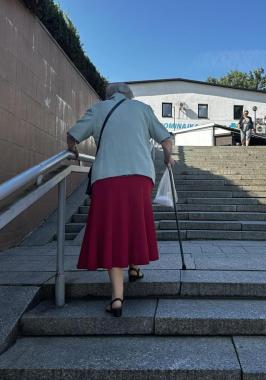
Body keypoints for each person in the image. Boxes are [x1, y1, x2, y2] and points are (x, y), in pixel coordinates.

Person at [66, 83, 174, 317]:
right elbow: (166, 140)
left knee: (113, 231)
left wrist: (72, 150)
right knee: (134, 221)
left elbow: (73, 135)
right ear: (129, 96)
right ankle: (134, 269)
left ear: (109, 96)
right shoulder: (142, 109)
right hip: (140, 176)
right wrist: (167, 157)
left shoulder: (99, 109)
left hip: (107, 177)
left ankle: (117, 298)